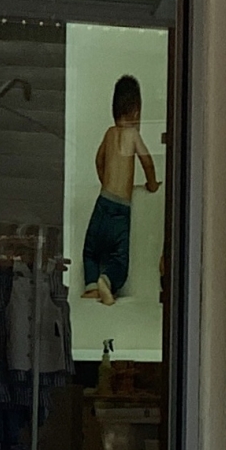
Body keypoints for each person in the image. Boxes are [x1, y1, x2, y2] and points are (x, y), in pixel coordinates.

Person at [80, 75, 157, 307]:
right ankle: (107, 281)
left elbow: (98, 160)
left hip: (102, 202)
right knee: (120, 261)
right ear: (135, 112)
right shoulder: (132, 135)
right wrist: (152, 184)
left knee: (90, 250)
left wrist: (106, 182)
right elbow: (147, 161)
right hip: (121, 210)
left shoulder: (109, 133)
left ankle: (91, 285)